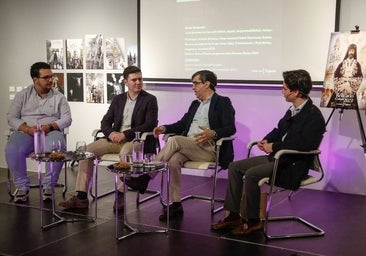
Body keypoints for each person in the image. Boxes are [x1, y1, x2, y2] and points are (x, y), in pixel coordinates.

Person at [211, 69, 326, 235]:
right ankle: (233, 215)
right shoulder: (293, 109)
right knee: (234, 167)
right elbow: (279, 130)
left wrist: (274, 147)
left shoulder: (314, 116)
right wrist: (266, 140)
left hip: (292, 164)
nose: (282, 91)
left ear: (295, 92)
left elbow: (304, 145)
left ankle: (253, 221)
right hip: (278, 157)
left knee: (251, 174)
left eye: (285, 88)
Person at [124, 70, 236, 220]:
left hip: (209, 148)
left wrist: (214, 133)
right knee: (173, 161)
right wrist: (164, 128)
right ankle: (176, 204)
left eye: (195, 83)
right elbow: (182, 124)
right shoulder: (195, 104)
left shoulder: (223, 102)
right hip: (189, 145)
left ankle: (146, 177)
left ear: (207, 84)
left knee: (175, 140)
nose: (193, 87)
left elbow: (231, 128)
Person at [59, 66, 158, 211]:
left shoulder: (149, 99)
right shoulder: (118, 99)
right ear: (125, 82)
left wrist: (125, 134)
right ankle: (81, 197)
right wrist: (111, 134)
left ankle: (120, 195)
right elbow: (105, 122)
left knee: (125, 153)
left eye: (140, 79)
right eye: (134, 80)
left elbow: (149, 124)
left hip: (136, 141)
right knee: (87, 151)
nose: (138, 82)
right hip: (114, 139)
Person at [5, 62, 72, 203]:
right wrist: (27, 128)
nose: (50, 80)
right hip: (27, 132)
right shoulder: (22, 95)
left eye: (51, 77)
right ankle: (22, 187)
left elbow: (67, 118)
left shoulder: (59, 97)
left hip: (50, 131)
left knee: (57, 147)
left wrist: (51, 126)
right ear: (35, 80)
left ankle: (49, 185)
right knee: (12, 149)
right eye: (46, 77)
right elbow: (11, 117)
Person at [328, 43, 363, 109]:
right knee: (336, 102)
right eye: (350, 51)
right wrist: (341, 84)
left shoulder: (357, 64)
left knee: (351, 105)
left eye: (353, 51)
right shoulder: (342, 63)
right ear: (348, 51)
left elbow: (360, 77)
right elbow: (336, 75)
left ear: (355, 52)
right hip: (340, 87)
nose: (351, 52)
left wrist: (350, 85)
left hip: (350, 88)